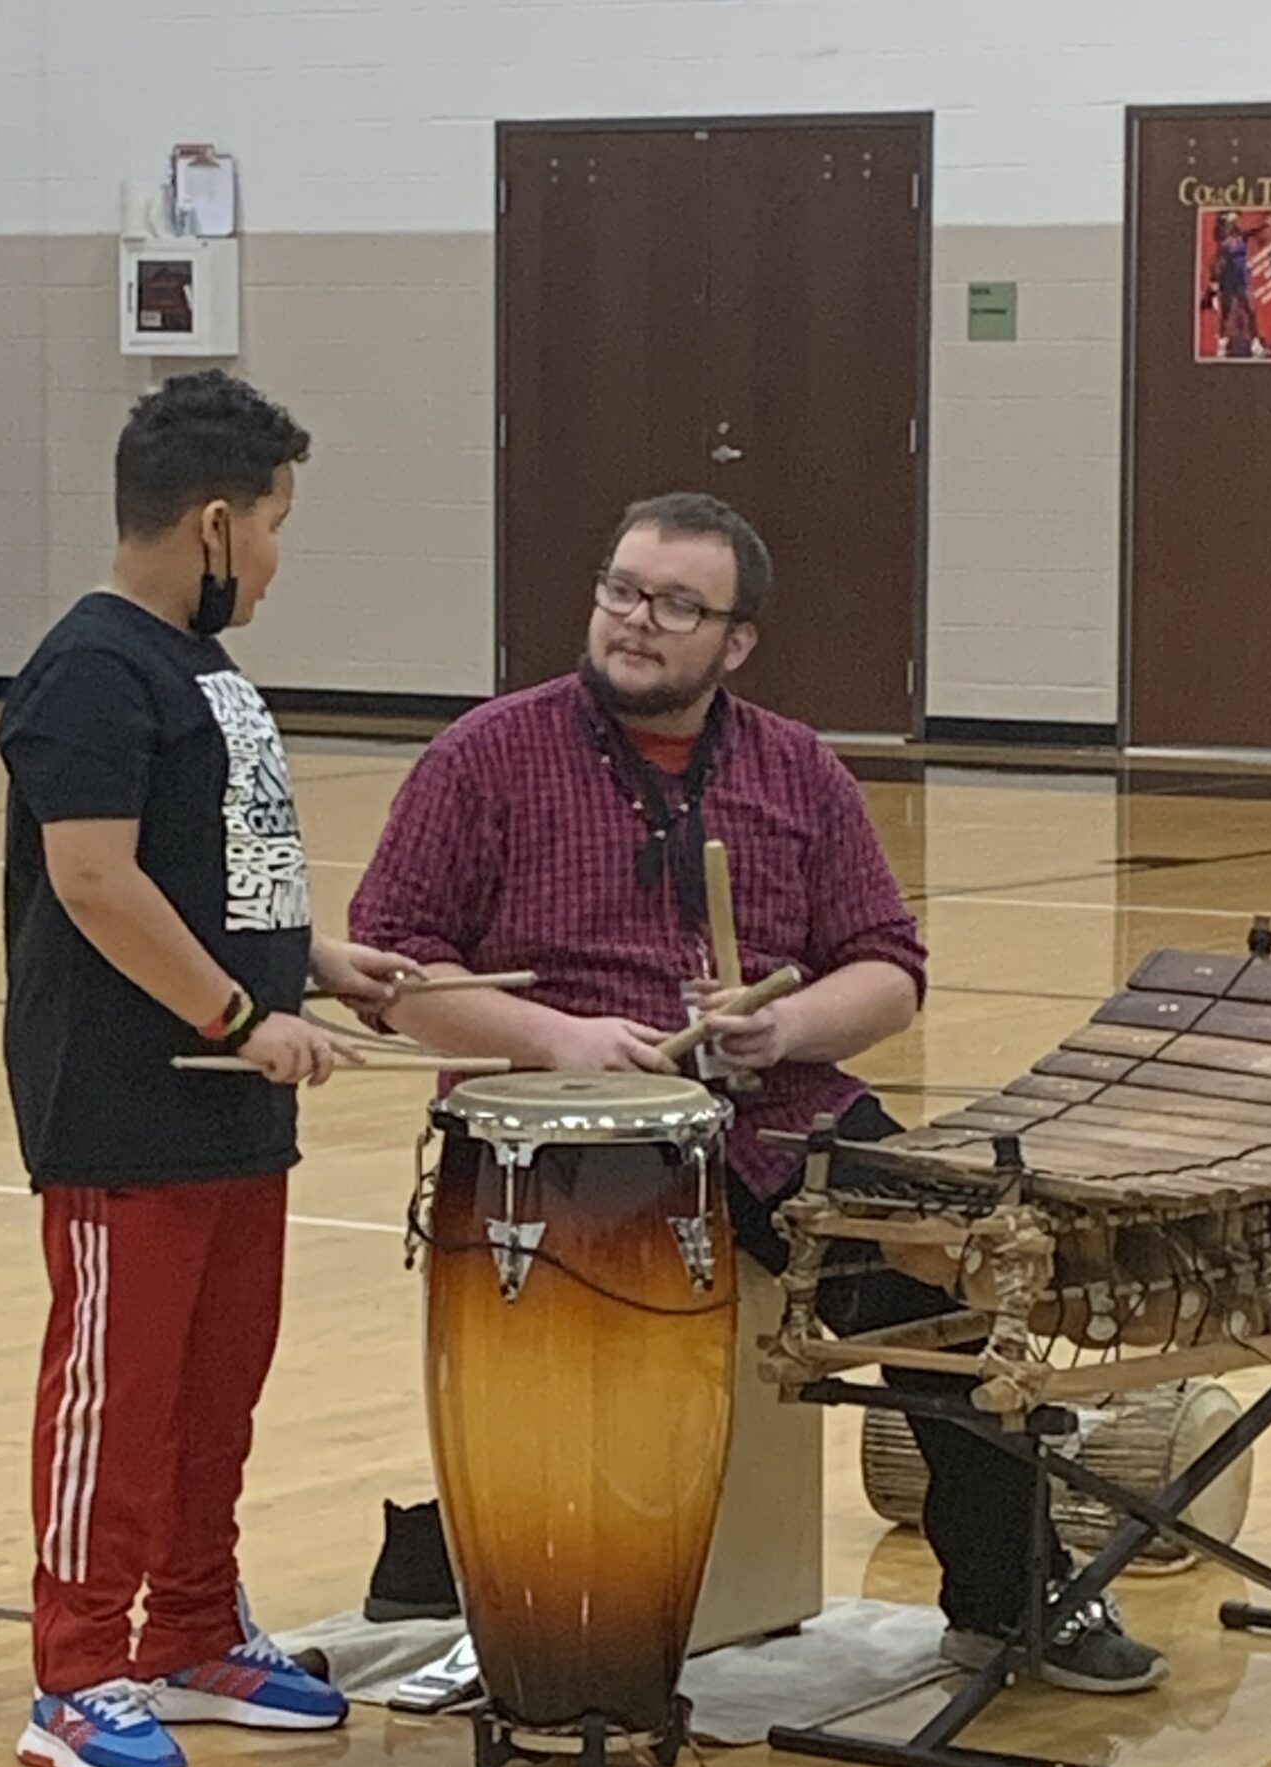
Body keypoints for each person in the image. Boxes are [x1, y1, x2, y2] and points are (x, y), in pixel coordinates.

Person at [349, 490, 1166, 1694]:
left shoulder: (797, 769)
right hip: (566, 1142)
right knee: (590, 1363)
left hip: (786, 1118)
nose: (636, 621)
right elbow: (390, 968)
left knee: (950, 1267)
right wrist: (555, 1037)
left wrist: (782, 1023)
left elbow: (890, 968)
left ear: (734, 642)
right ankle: (544, 1599)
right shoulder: (485, 755)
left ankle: (1009, 1598)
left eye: (678, 605)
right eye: (621, 590)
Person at [0, 370, 416, 1767]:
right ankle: (74, 1673)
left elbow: (214, 876)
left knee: (214, 1389)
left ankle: (187, 1628)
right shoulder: (91, 670)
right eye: (282, 527)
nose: (283, 561)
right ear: (220, 524)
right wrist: (244, 1016)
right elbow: (98, 880)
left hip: (233, 1108)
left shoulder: (204, 671)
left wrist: (325, 964)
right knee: (116, 1397)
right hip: (127, 1105)